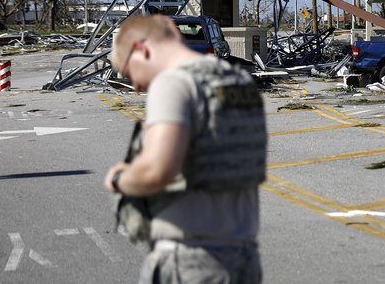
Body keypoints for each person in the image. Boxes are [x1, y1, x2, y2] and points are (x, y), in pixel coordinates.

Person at [104, 15, 267, 283]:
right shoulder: (239, 81)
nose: (134, 86)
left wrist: (119, 179)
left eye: (128, 72)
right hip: (243, 258)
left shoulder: (173, 83)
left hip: (190, 261)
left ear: (141, 49)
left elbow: (158, 172)